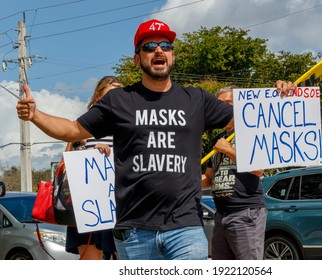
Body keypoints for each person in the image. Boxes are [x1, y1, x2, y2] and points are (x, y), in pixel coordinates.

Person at [16, 19, 296, 260]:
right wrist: (35, 114)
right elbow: (73, 130)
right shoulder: (119, 101)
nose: (158, 50)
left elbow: (248, 118)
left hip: (186, 228)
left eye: (165, 45)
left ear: (173, 57)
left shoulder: (196, 99)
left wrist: (278, 96)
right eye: (149, 46)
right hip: (135, 231)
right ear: (138, 59)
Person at [202, 86, 267, 260]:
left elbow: (259, 168)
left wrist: (229, 150)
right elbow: (208, 179)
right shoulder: (218, 140)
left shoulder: (251, 132)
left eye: (228, 104)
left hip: (245, 212)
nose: (222, 109)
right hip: (221, 214)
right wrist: (182, 179)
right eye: (219, 105)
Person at [64, 76, 123, 260]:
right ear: (98, 97)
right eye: (111, 95)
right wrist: (87, 153)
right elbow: (65, 166)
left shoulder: (126, 127)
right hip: (88, 210)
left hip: (118, 208)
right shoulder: (82, 127)